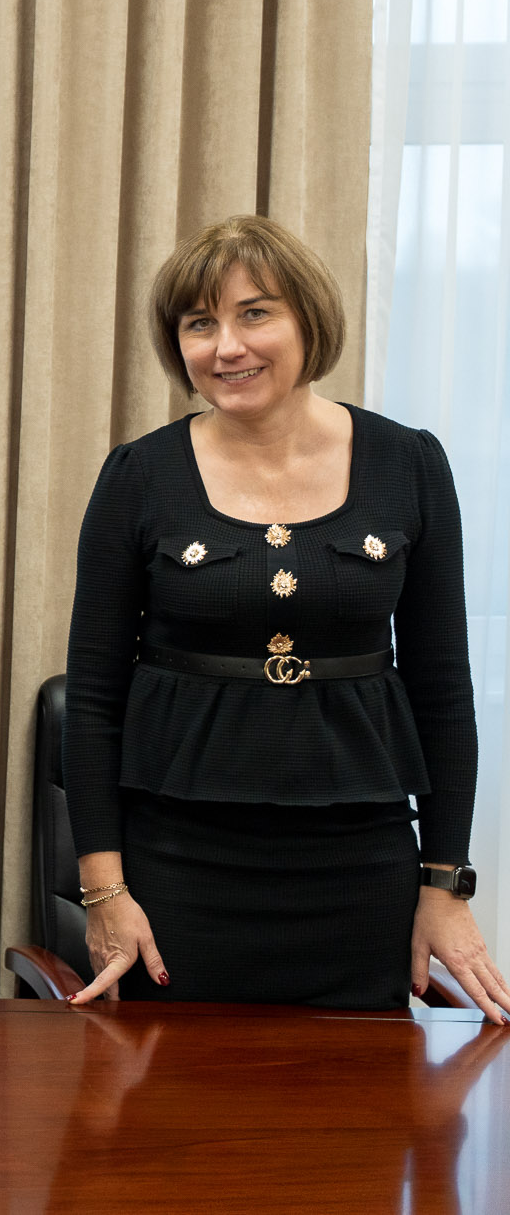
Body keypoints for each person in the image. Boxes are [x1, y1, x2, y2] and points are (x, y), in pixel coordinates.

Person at [63, 214, 510, 1018]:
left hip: (359, 875)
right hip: (178, 875)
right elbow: (94, 699)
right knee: (172, 1127)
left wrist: (444, 886)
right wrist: (104, 893)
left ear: (309, 318)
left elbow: (443, 693)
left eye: (255, 313)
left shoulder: (409, 463)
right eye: (200, 323)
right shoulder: (138, 475)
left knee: (355, 1130)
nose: (227, 346)